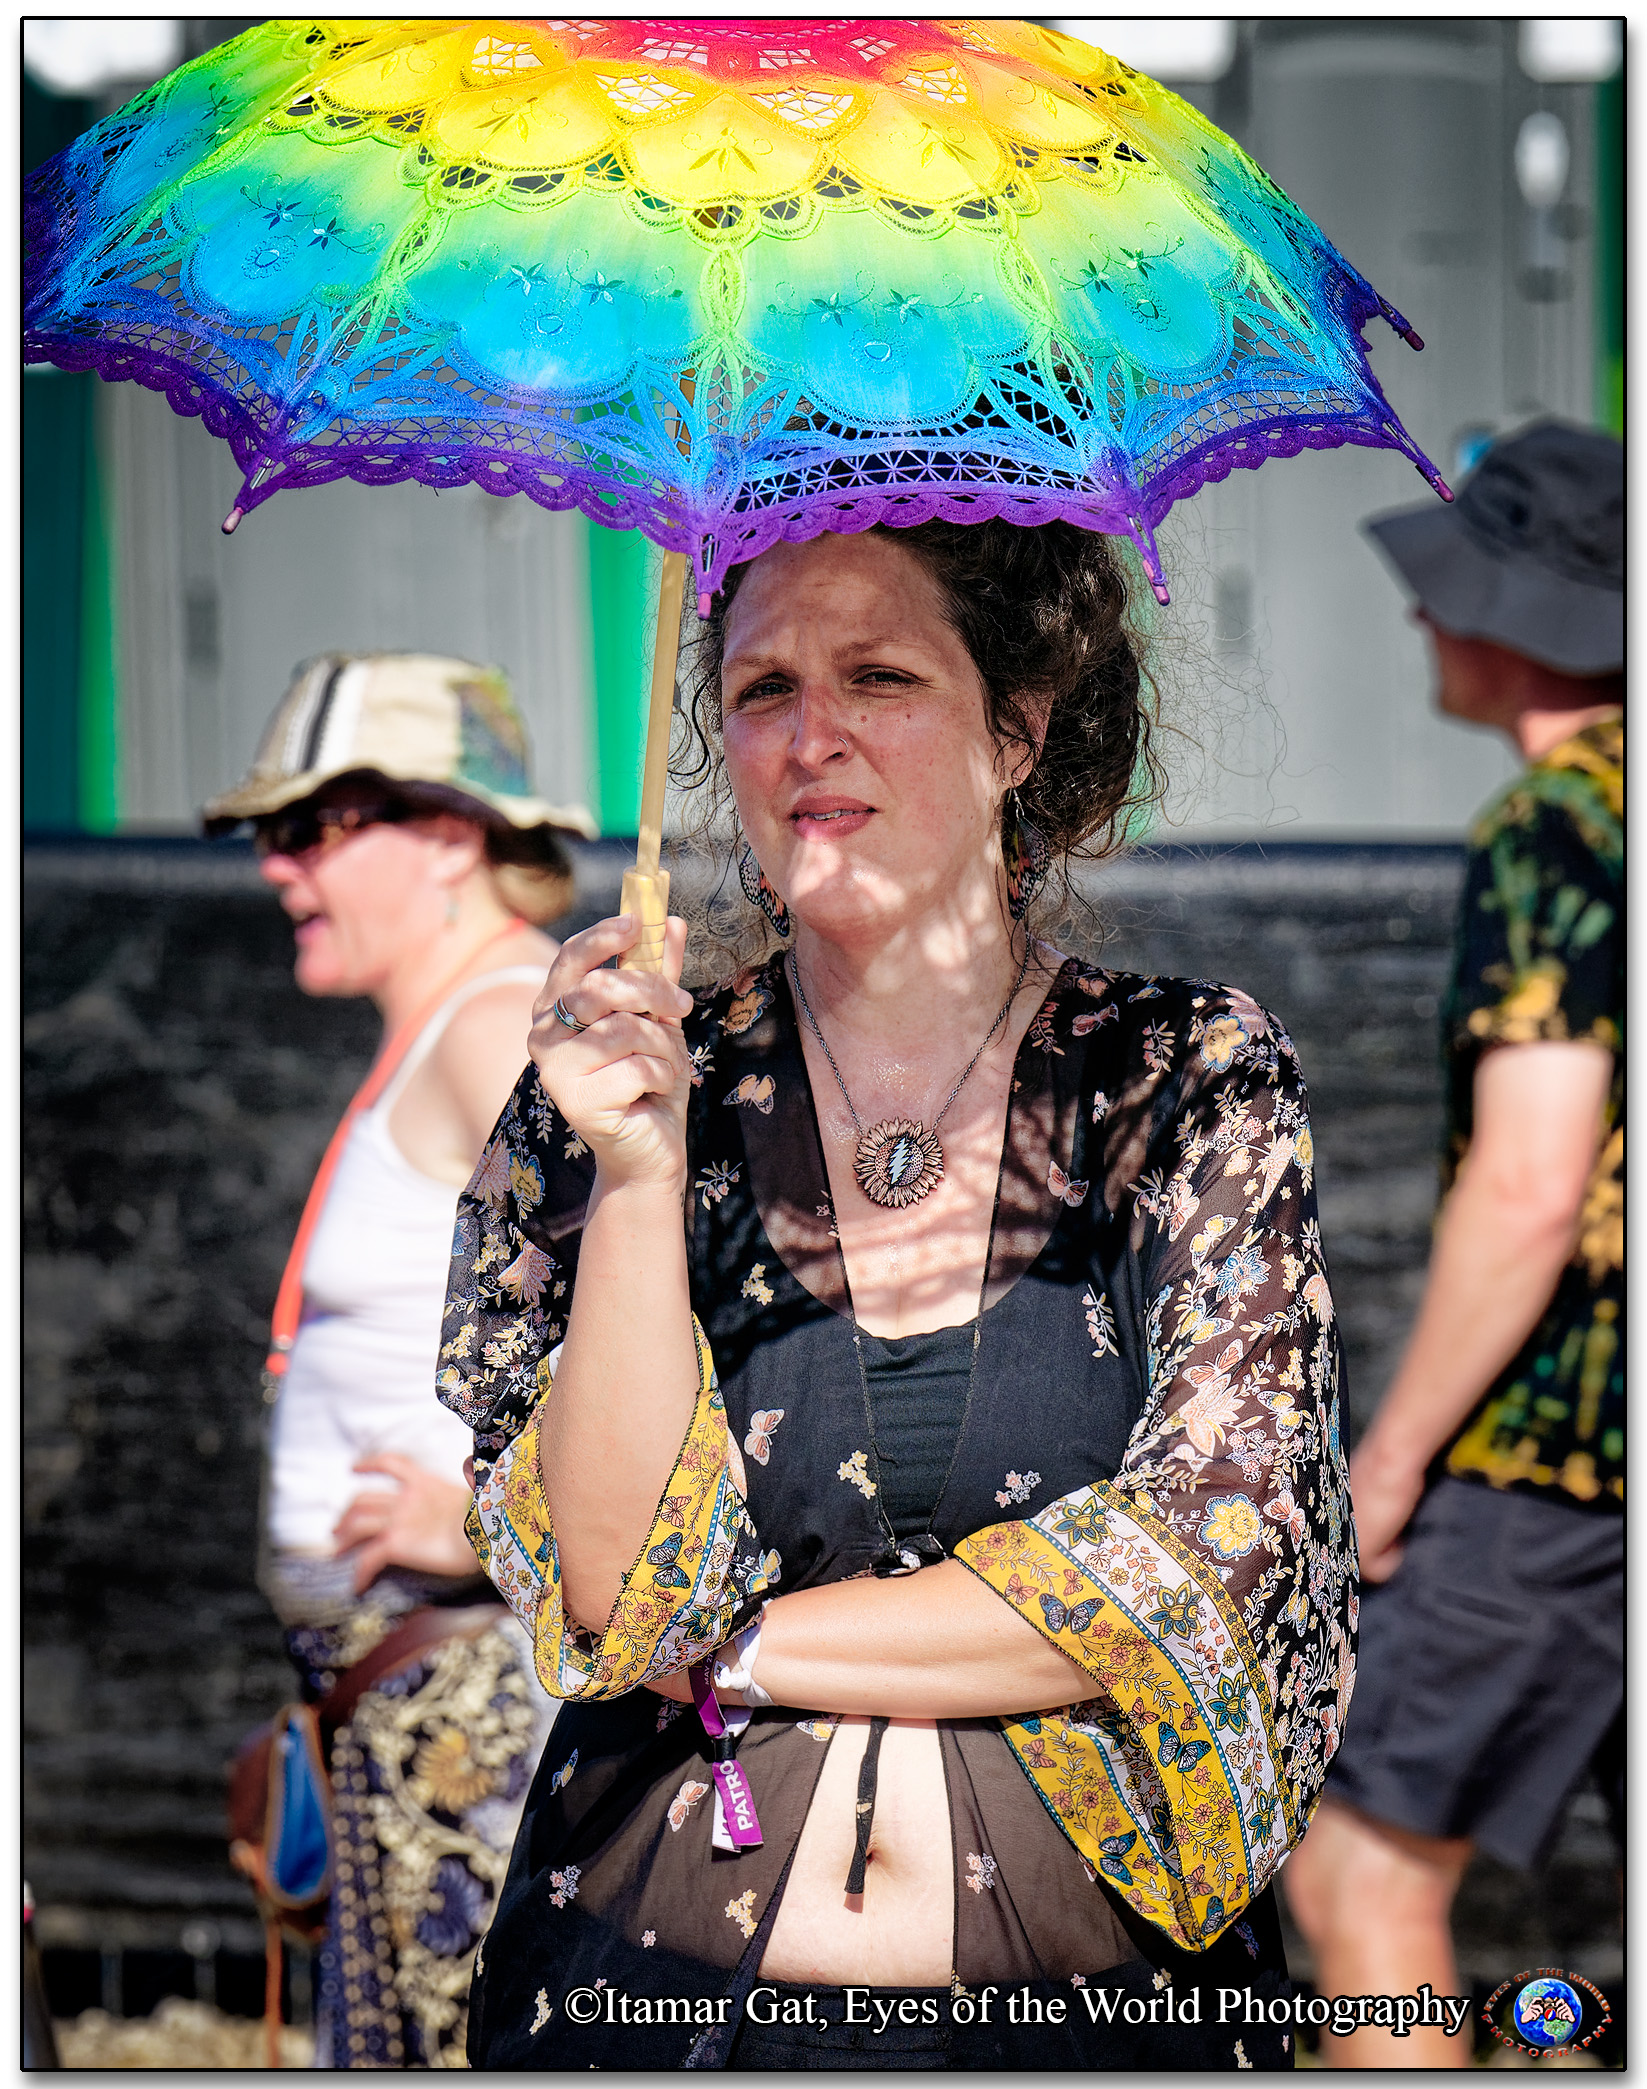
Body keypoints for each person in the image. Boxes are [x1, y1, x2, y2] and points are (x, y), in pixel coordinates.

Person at [435, 521, 1356, 2070]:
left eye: (880, 675)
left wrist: (736, 1648)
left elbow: (1198, 1572)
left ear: (1018, 729)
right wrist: (641, 1172)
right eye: (763, 687)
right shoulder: (616, 1100)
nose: (812, 733)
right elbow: (615, 1595)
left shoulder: (1184, 1081)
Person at [1283, 422, 1623, 2066]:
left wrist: (1395, 1454)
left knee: (1357, 1867)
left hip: (1562, 1459)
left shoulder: (1558, 827)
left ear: (1522, 614)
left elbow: (1533, 1182)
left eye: (1450, 586)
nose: (1422, 616)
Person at [204, 653, 596, 2068]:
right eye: (271, 832)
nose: (276, 865)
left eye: (312, 826)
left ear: (445, 834)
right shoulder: (457, 1021)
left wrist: (492, 1523)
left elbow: (659, 1318)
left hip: (465, 1703)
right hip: (402, 1700)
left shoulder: (497, 1023)